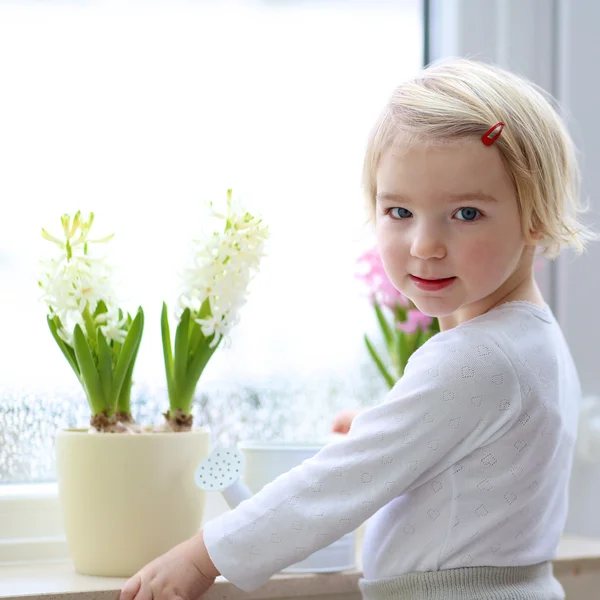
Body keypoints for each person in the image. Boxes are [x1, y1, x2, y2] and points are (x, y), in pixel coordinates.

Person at [119, 57, 598, 600]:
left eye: (465, 213)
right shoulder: (535, 341)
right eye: (399, 212)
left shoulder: (477, 357)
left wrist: (201, 556)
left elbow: (338, 482)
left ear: (536, 215)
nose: (424, 244)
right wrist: (390, 424)